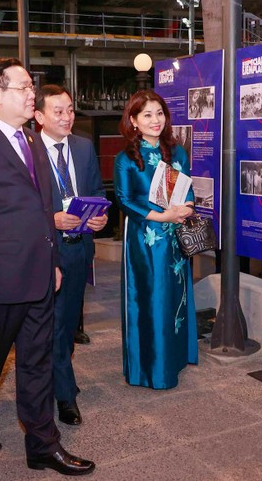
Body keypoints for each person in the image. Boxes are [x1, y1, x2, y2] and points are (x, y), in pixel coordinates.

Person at [0, 58, 94, 475]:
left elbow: (42, 207)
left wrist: (52, 262)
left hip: (40, 275)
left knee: (37, 361)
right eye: (24, 88)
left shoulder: (31, 141)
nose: (32, 94)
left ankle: (43, 443)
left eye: (32, 87)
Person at [113, 89, 197, 390]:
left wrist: (186, 208)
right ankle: (150, 368)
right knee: (150, 297)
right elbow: (123, 199)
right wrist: (161, 217)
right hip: (145, 239)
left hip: (176, 238)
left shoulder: (177, 152)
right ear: (133, 120)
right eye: (147, 114)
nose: (155, 120)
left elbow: (189, 189)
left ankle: (174, 359)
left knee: (175, 295)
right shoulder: (126, 159)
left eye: (159, 113)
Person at [34, 84, 107, 426]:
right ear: (38, 116)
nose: (66, 117)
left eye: (70, 110)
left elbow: (95, 191)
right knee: (51, 325)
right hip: (44, 252)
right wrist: (51, 218)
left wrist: (100, 217)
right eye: (57, 111)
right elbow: (16, 207)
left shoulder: (83, 146)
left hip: (79, 250)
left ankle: (56, 378)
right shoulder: (28, 150)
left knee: (66, 324)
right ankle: (64, 395)